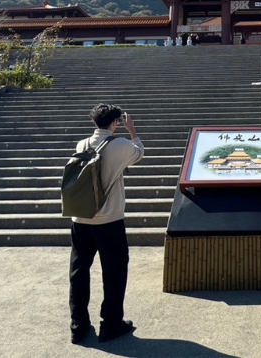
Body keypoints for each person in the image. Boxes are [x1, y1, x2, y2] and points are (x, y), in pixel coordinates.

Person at [69, 104, 144, 344]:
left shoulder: (82, 144)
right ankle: (110, 324)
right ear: (115, 122)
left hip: (81, 218)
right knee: (114, 271)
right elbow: (139, 153)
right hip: (109, 219)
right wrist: (133, 131)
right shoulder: (120, 145)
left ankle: (78, 325)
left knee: (79, 271)